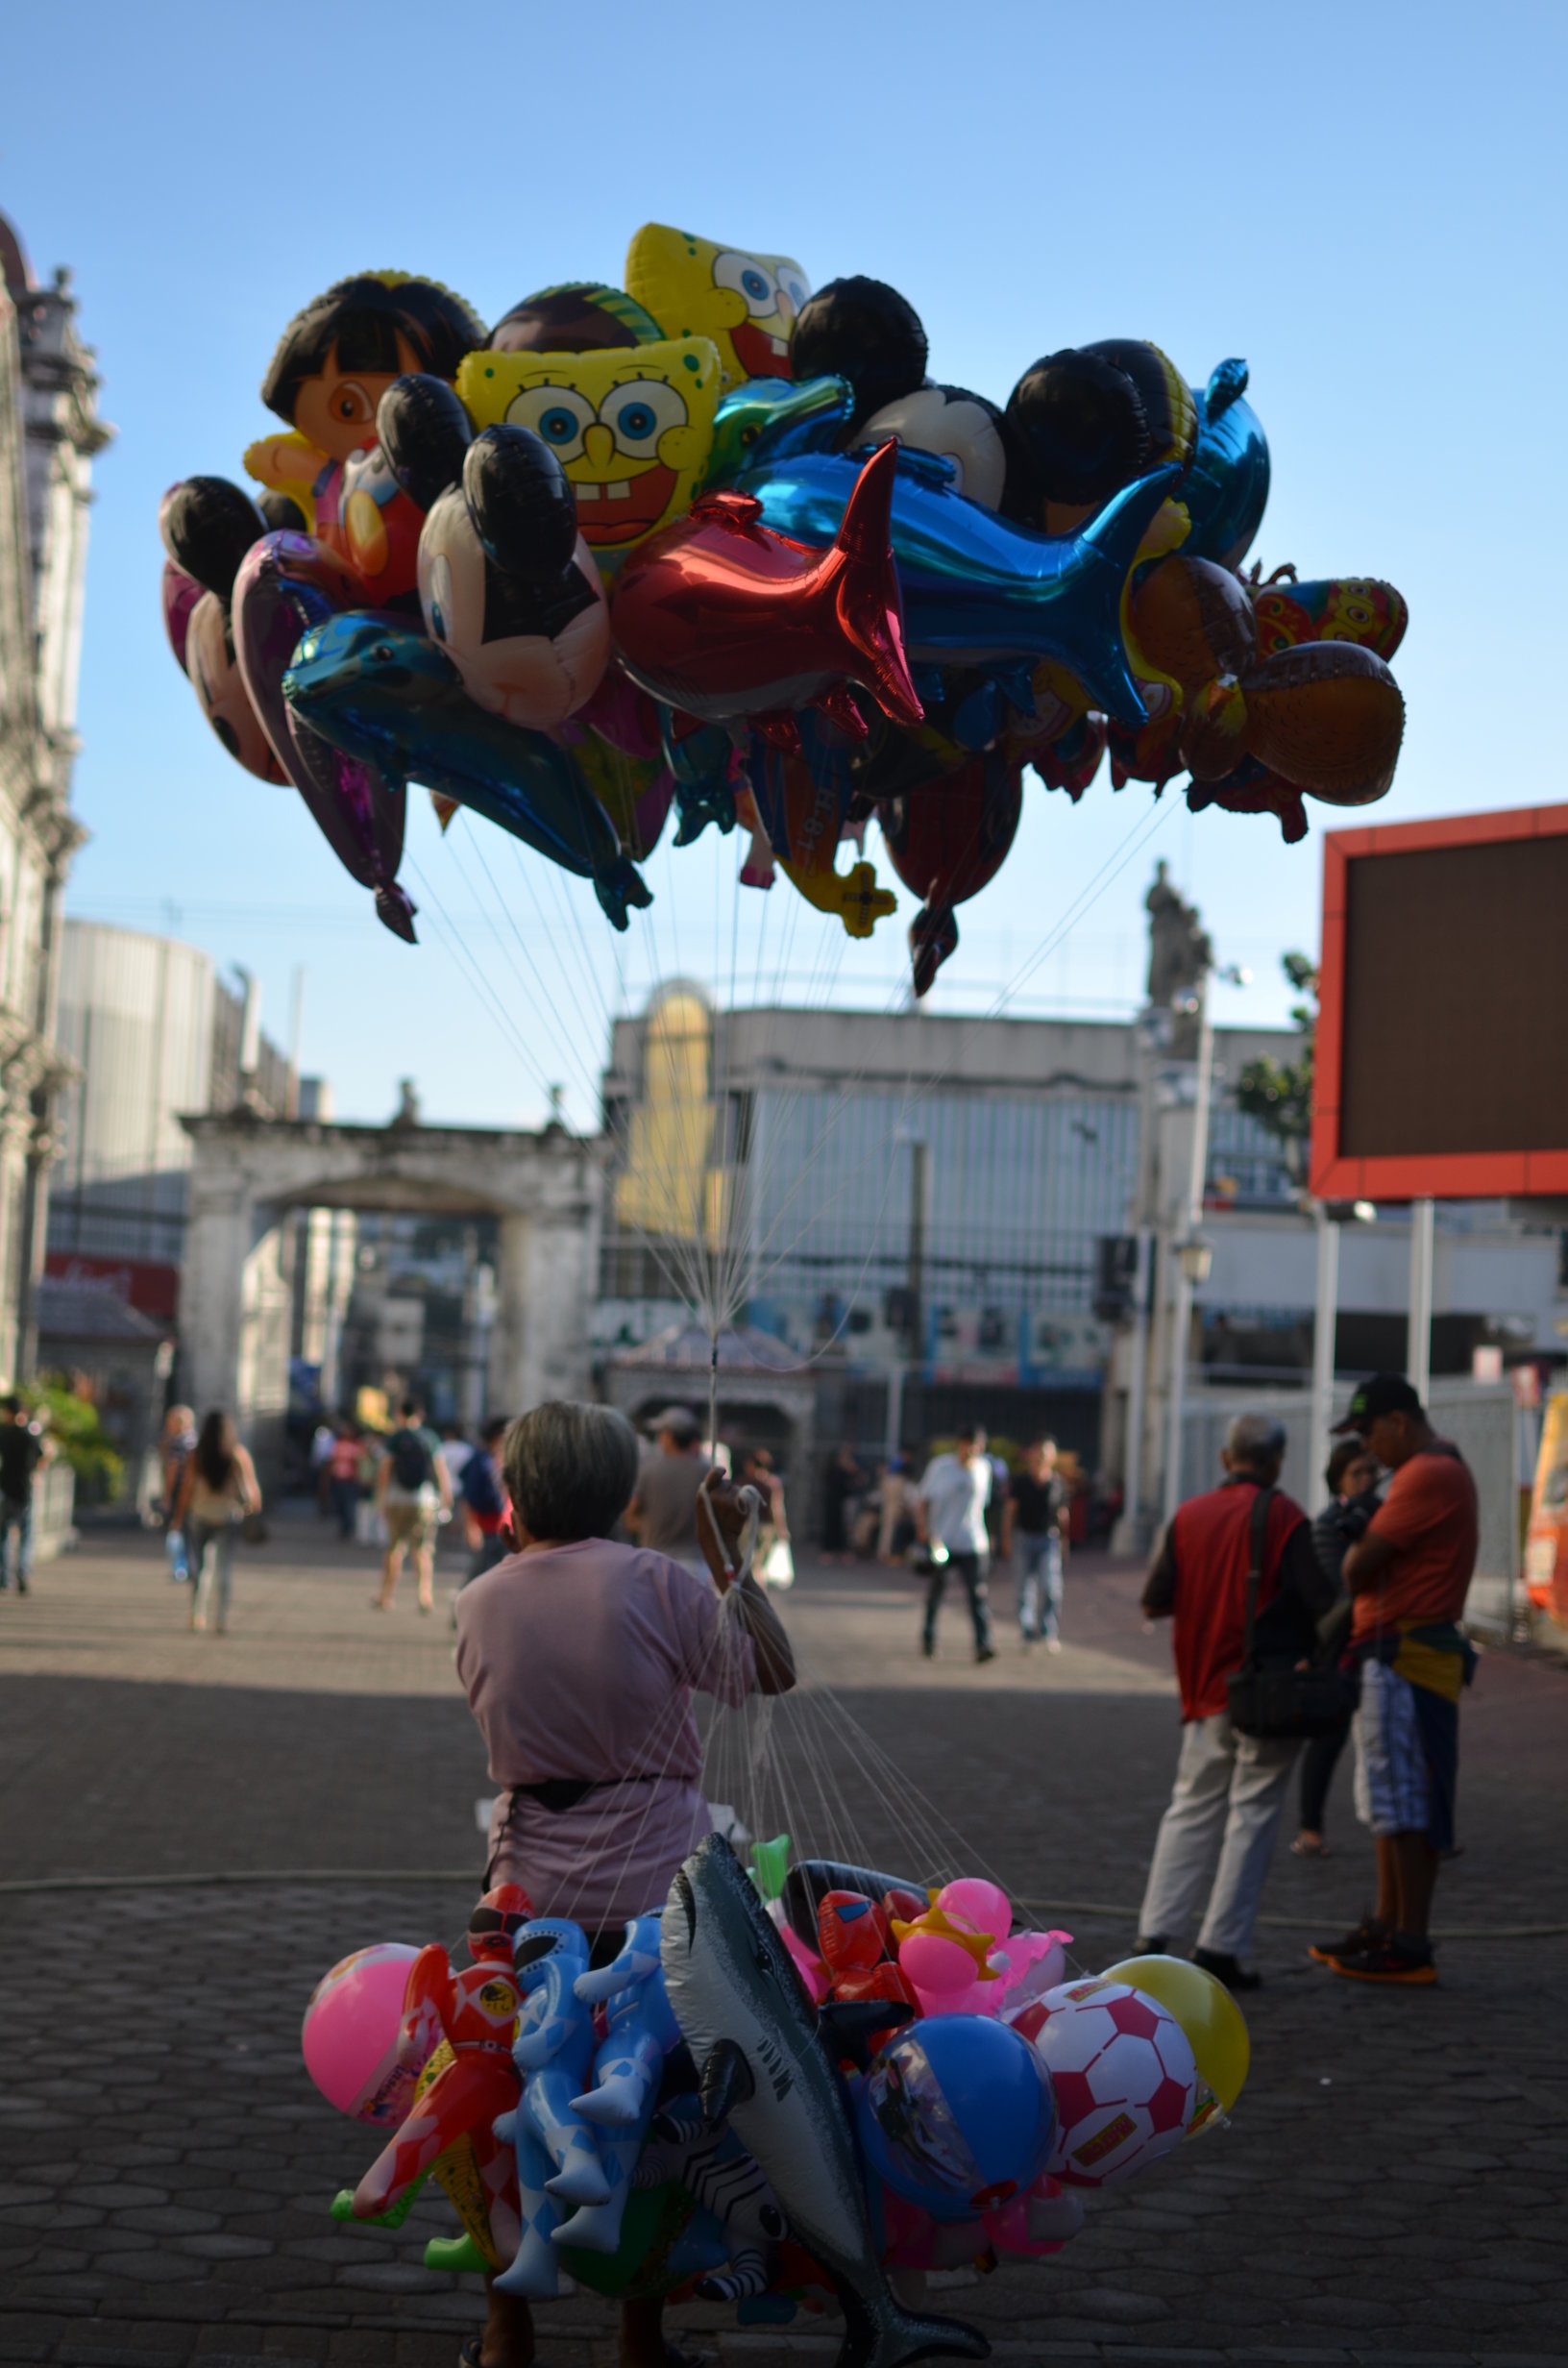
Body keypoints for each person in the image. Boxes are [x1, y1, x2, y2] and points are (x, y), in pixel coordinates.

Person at [454, 1399, 795, 2368]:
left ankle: (505, 2324)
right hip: (659, 1897)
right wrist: (729, 1558)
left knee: (506, 2100)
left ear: (516, 1496)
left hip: (527, 1895)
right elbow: (771, 1669)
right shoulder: (658, 1579)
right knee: (663, 2116)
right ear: (619, 1493)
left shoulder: (478, 1599)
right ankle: (640, 2329)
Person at [1134, 1412, 1335, 1990]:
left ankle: (1154, 1933)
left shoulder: (1188, 1516)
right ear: (1277, 1460)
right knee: (1252, 1813)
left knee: (1190, 1807)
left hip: (1204, 1689)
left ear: (1226, 1458)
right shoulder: (1285, 1515)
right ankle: (1220, 1948)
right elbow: (1320, 1601)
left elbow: (1154, 1602)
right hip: (1266, 1691)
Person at [1310, 1374, 1479, 1986]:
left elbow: (1355, 1570)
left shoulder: (1425, 1473)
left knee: (1407, 1801)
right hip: (1394, 1652)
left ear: (1399, 1423)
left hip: (1408, 1654)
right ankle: (1388, 1925)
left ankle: (1409, 1939)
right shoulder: (1427, 1471)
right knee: (1388, 1801)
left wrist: (1359, 1539)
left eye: (1370, 1433)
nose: (1368, 1450)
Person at [1291, 1438, 1382, 1859]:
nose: (1367, 1480)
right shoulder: (1328, 1525)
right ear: (1338, 1480)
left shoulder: (1385, 1516)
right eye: (1356, 1473)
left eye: (1371, 1471)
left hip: (1381, 1638)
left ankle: (1389, 1824)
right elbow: (1339, 1586)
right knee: (1329, 1737)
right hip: (1341, 1646)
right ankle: (1311, 1828)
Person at [172, 1410, 261, 1636]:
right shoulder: (237, 1455)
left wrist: (178, 1516)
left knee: (201, 1569)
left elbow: (186, 1489)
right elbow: (252, 1491)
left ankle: (196, 1615)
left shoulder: (196, 1455)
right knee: (224, 1569)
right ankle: (221, 1619)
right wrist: (253, 1509)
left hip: (199, 1514)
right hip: (227, 1516)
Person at [915, 1425, 996, 1664]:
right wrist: (924, 1531)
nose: (972, 1450)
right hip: (943, 1542)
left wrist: (991, 1539)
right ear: (959, 1445)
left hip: (973, 1543)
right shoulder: (941, 1468)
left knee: (977, 1595)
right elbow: (923, 1500)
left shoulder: (984, 1469)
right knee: (937, 1592)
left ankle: (984, 1643)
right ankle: (929, 1639)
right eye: (968, 1444)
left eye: (978, 1446)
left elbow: (985, 1507)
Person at [372, 1396, 451, 1614]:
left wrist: (380, 1499)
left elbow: (384, 1471)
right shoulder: (430, 1438)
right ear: (420, 1415)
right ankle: (424, 1597)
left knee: (394, 1549)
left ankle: (386, 1596)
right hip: (424, 1500)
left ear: (399, 1414)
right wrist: (446, 1497)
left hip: (397, 1500)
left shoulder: (395, 1439)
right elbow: (440, 1470)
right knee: (423, 1550)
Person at [625, 1406, 709, 1572]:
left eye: (660, 1434)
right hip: (695, 1564)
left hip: (654, 1560)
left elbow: (631, 1513)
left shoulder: (649, 1470)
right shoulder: (705, 1472)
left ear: (669, 1437)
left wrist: (644, 1525)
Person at [1007, 1436, 1071, 1651]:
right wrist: (1006, 1538)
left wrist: (1065, 1541)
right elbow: (1010, 1511)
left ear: (1052, 1457)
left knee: (1052, 1588)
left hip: (1048, 1540)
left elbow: (1063, 1515)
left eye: (1046, 1453)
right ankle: (1027, 1632)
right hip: (1024, 1538)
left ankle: (1048, 1631)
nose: (1041, 1457)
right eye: (1038, 1453)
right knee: (1024, 1589)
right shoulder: (1021, 1482)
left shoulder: (1057, 1483)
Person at [0, 1395, 52, 1594]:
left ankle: (4, 1577)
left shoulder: (4, 1433)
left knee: (3, 1536)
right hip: (26, 1491)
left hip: (5, 1490)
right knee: (26, 1536)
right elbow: (43, 1458)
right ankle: (22, 1570)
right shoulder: (31, 1434)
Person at [460, 1415, 512, 1584]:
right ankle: (463, 1608)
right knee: (480, 1574)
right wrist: (471, 1526)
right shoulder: (480, 1461)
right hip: (486, 1527)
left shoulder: (505, 1461)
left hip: (507, 1528)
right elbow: (468, 1496)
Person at [738, 1445, 792, 1585]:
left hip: (747, 1525)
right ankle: (758, 1588)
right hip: (767, 1527)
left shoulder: (744, 1482)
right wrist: (782, 1529)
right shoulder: (773, 1483)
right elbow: (777, 1508)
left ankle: (755, 1589)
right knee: (759, 1562)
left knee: (750, 1561)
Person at [159, 1404, 197, 1585]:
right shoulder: (194, 1441)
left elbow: (172, 1470)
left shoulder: (177, 1443)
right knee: (191, 1529)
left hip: (179, 1489)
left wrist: (166, 1494)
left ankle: (180, 1568)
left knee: (176, 1528)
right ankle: (193, 1565)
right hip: (195, 1492)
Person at [821, 1442, 864, 1560]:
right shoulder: (834, 1466)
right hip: (833, 1500)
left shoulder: (852, 1465)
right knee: (832, 1525)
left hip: (844, 1500)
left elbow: (859, 1480)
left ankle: (842, 1550)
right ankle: (828, 1550)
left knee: (845, 1527)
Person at [327, 1420, 364, 1541]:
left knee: (349, 1504)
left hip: (351, 1479)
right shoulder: (338, 1445)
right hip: (338, 1478)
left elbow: (359, 1463)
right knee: (340, 1503)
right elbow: (332, 1460)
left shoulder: (357, 1445)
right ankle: (343, 1527)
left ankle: (348, 1527)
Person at [437, 1420, 474, 1493]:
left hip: (446, 1488)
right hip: (464, 1487)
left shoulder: (442, 1448)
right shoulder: (467, 1449)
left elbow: (440, 1470)